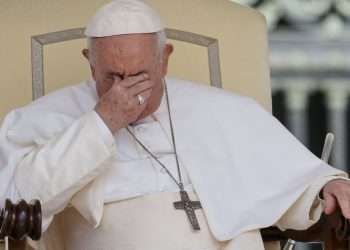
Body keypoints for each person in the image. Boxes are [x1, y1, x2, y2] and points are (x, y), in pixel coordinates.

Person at [1, 0, 350, 249]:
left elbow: (292, 178)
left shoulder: (222, 110)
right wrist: (101, 123)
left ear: (164, 59)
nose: (127, 90)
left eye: (140, 75)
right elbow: (18, 199)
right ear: (90, 63)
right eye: (113, 77)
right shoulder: (45, 117)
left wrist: (327, 185)